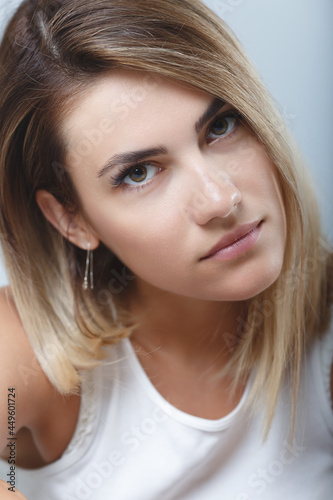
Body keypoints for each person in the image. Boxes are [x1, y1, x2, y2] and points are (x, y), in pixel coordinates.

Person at [0, 0, 332, 498]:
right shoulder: (31, 349)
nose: (221, 199)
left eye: (221, 125)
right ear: (71, 219)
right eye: (139, 173)